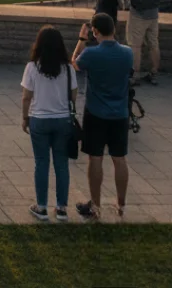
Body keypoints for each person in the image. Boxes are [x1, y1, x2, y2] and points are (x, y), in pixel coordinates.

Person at [72, 12, 134, 220]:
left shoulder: (91, 53)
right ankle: (121, 204)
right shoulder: (127, 53)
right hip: (120, 113)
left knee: (95, 157)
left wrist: (82, 39)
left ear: (95, 31)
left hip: (96, 112)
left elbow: (75, 63)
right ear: (114, 29)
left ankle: (96, 205)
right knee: (119, 158)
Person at [21, 25, 77, 222]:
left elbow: (26, 97)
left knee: (41, 163)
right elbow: (73, 95)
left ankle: (41, 206)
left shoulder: (32, 67)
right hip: (62, 120)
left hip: (39, 119)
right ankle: (61, 208)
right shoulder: (68, 68)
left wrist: (25, 117)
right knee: (62, 164)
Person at [119, 0, 164, 86]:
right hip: (153, 14)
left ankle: (134, 76)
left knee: (135, 46)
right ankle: (154, 73)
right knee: (153, 44)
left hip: (138, 14)